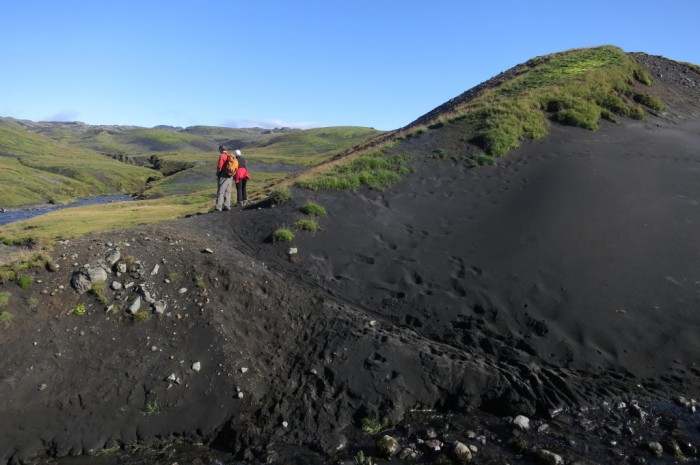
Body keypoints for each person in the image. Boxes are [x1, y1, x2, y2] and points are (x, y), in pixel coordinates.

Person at [215, 145, 236, 211]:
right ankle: (227, 206)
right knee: (228, 191)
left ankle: (219, 207)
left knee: (221, 192)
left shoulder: (222, 156)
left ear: (221, 149)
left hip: (223, 175)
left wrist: (218, 173)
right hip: (230, 175)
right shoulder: (230, 156)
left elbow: (219, 166)